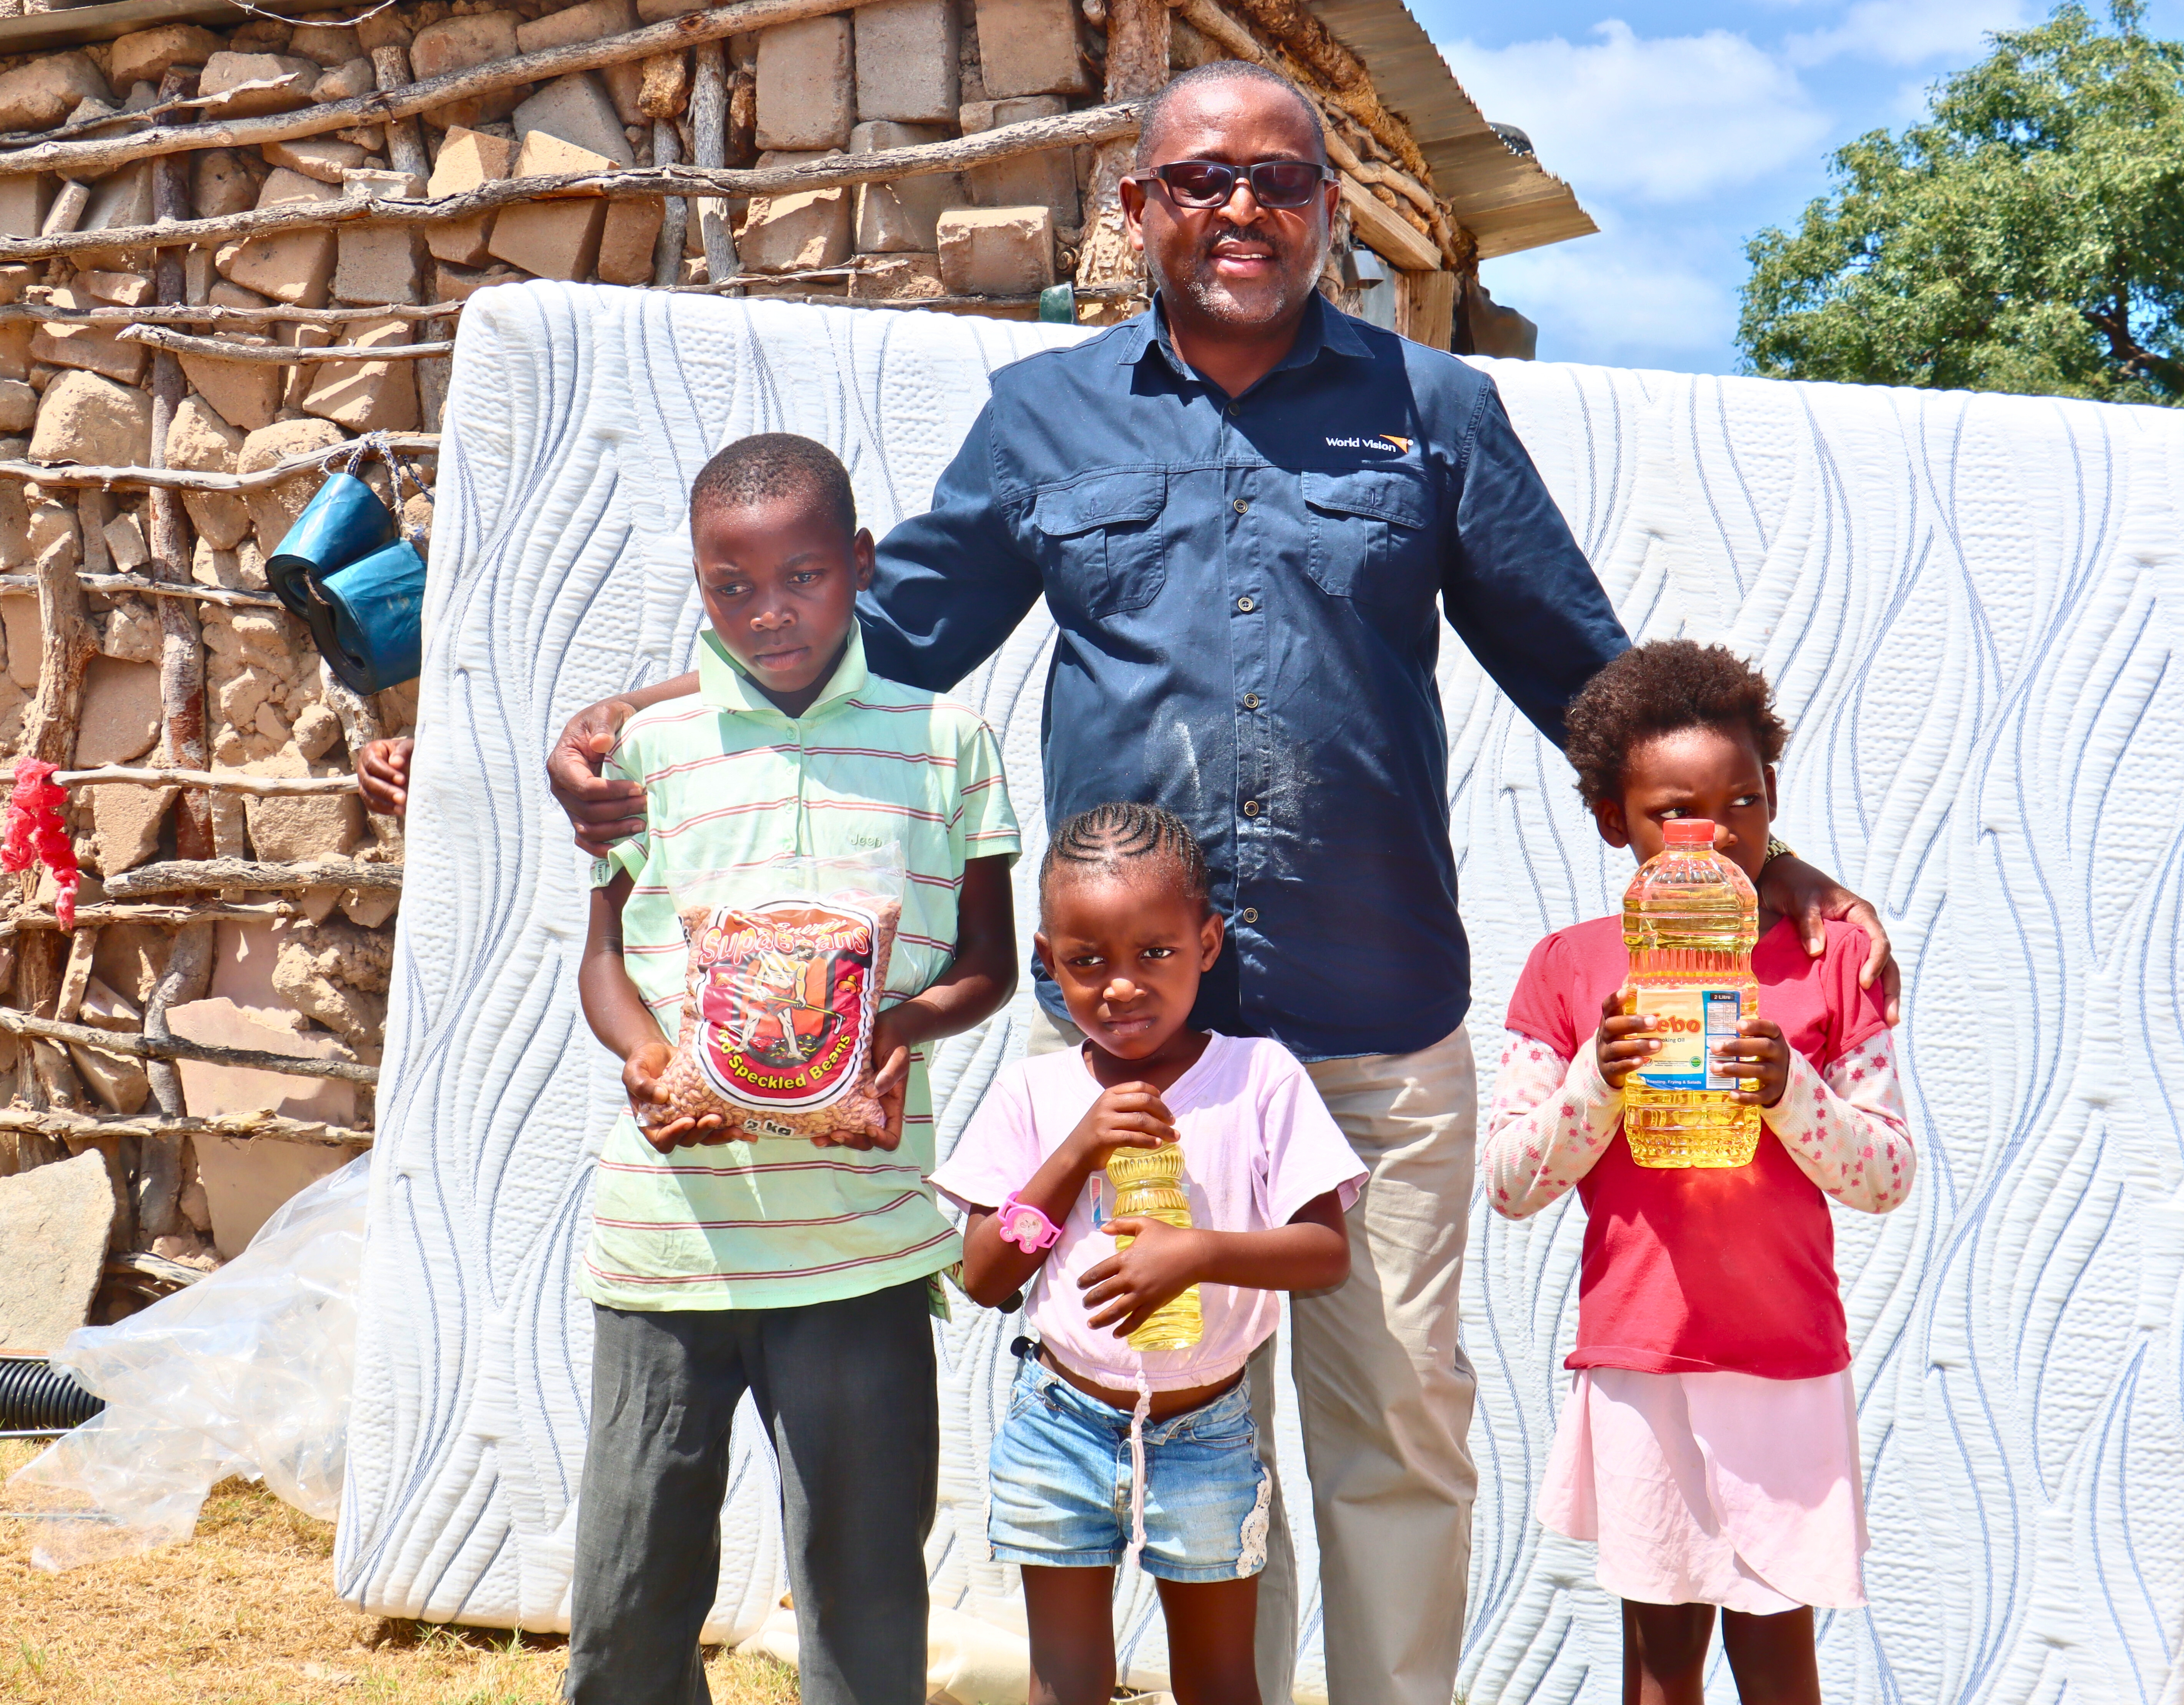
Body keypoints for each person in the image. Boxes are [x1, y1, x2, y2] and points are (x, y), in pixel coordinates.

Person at [535, 60, 1899, 1705]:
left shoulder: (1432, 411)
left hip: (1372, 1028)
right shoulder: (1042, 420)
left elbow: (1591, 686)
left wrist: (1769, 864)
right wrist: (637, 725)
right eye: (1197, 180)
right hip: (1127, 1058)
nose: (1238, 208)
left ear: (1328, 212)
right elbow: (866, 657)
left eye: (1277, 179)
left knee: (1394, 1435)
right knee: (1152, 1429)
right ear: (1135, 211)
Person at [568, 433, 1021, 1705]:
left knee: (867, 1591)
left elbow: (989, 962)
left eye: (807, 577)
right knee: (628, 1595)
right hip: (671, 1242)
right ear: (700, 586)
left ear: (863, 567)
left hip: (859, 1247)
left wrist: (897, 1031)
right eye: (734, 586)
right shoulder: (649, 751)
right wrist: (655, 1061)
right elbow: (605, 962)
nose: (771, 613)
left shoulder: (948, 747)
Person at [1483, 640, 1915, 1705]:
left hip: (1784, 1358)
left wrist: (1789, 1092)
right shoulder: (1569, 967)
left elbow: (1886, 1174)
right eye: (1674, 808)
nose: (1714, 832)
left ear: (1772, 804)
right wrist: (1599, 1080)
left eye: (1743, 801)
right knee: (1661, 1658)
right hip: (1645, 1355)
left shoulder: (1831, 959)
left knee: (1776, 1654)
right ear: (1610, 820)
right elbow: (1509, 1179)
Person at [932, 801, 1364, 1705]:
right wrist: (1073, 1154)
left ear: (1207, 943)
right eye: (1086, 961)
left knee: (1216, 1679)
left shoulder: (1257, 1078)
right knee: (1067, 1681)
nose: (1120, 987)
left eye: (1154, 954)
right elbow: (983, 1275)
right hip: (1059, 1420)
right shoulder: (1035, 1093)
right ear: (1047, 960)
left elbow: (1325, 1252)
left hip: (1205, 1429)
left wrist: (1196, 1252)